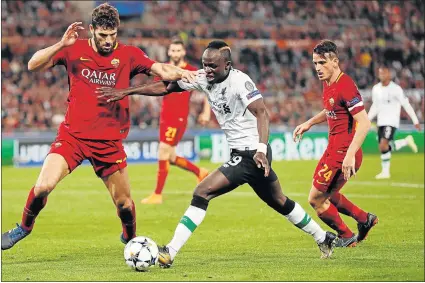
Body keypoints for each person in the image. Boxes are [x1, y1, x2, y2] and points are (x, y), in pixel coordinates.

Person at [97, 40, 337, 266]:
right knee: (280, 201)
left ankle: (169, 251)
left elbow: (262, 113)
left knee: (201, 192)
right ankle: (323, 237)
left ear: (227, 65)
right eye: (204, 64)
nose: (207, 70)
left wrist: (262, 150)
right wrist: (128, 91)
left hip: (252, 153)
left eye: (213, 65)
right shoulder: (203, 78)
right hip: (245, 153)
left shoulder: (240, 82)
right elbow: (167, 87)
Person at [1, 3, 196, 251]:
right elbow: (32, 65)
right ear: (92, 30)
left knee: (124, 204)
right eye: (103, 35)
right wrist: (61, 44)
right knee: (43, 186)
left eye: (113, 35)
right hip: (73, 137)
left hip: (109, 142)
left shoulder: (129, 54)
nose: (108, 40)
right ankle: (23, 228)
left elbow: (160, 69)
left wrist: (183, 73)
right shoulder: (73, 49)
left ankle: (130, 239)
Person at [293, 40, 378, 248]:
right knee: (326, 194)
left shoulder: (346, 85)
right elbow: (333, 109)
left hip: (344, 154)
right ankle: (363, 218)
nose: (317, 68)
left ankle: (346, 235)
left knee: (316, 199)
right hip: (333, 150)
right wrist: (310, 122)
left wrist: (349, 156)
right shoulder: (328, 82)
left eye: (322, 63)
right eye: (315, 63)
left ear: (335, 61)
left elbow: (364, 123)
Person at [141, 37, 210, 205]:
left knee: (163, 152)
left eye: (179, 50)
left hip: (177, 119)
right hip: (165, 118)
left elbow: (208, 90)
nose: (176, 53)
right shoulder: (164, 69)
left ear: (184, 52)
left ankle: (157, 194)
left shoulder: (192, 71)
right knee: (170, 157)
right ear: (169, 52)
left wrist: (206, 112)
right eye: (173, 50)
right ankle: (200, 171)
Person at [368, 65, 421, 179]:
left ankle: (386, 172)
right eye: (380, 73)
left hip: (391, 121)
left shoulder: (396, 89)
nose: (382, 75)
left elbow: (405, 104)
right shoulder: (376, 89)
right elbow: (375, 106)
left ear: (389, 74)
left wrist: (415, 120)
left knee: (383, 144)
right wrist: (368, 119)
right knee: (384, 146)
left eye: (384, 73)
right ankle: (406, 141)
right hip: (381, 121)